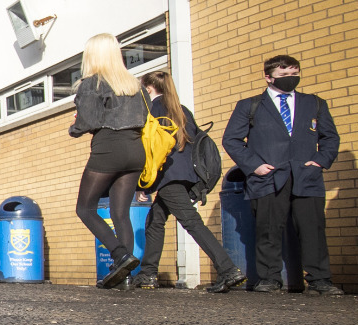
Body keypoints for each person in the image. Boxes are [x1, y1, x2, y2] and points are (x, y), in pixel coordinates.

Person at [223, 54, 343, 295]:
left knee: (313, 230)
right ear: (268, 77)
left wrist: (320, 161)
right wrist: (254, 165)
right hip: (267, 177)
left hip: (306, 176)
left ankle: (320, 280)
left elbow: (330, 137)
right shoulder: (249, 105)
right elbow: (232, 140)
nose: (291, 79)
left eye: (294, 74)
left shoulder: (315, 103)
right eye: (284, 75)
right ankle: (269, 279)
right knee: (267, 230)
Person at [134, 70, 246, 293]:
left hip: (168, 176)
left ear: (148, 88)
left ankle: (228, 269)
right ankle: (148, 274)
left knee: (192, 222)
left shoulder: (151, 109)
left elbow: (150, 148)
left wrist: (142, 184)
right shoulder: (181, 109)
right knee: (155, 220)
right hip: (187, 175)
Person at [70, 33, 149, 290]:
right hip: (135, 150)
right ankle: (124, 276)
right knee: (120, 213)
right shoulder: (134, 84)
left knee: (85, 209)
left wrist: (74, 127)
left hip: (108, 149)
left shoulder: (92, 83)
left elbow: (87, 123)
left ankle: (120, 255)